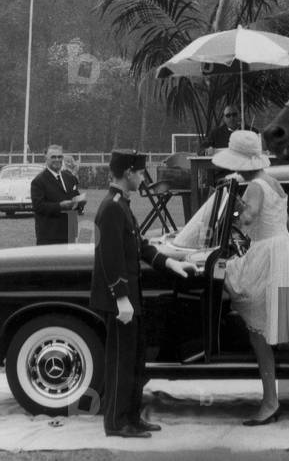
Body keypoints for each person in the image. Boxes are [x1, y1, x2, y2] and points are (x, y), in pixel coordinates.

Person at [89, 149, 197, 438]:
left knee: (135, 360)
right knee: (120, 362)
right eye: (139, 173)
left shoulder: (121, 204)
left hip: (130, 299)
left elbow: (140, 246)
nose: (141, 178)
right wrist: (120, 297)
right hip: (121, 301)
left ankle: (131, 417)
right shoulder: (111, 207)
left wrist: (169, 261)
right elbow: (109, 258)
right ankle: (115, 422)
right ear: (127, 173)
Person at [215, 130, 289, 425]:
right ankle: (269, 396)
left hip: (267, 256)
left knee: (253, 324)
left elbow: (246, 220)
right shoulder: (274, 182)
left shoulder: (254, 187)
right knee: (260, 325)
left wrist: (232, 208)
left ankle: (270, 401)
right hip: (284, 251)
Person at [31, 144, 86, 245]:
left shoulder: (70, 177)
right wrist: (60, 206)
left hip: (71, 234)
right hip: (50, 237)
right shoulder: (38, 181)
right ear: (46, 158)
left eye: (60, 157)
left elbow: (74, 197)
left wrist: (80, 202)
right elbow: (38, 207)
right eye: (53, 157)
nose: (57, 159)